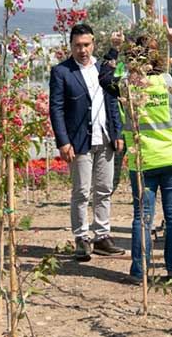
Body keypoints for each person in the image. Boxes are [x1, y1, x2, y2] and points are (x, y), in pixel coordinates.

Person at [99, 27, 172, 283]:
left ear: (132, 58)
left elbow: (104, 76)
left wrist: (114, 48)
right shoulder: (168, 81)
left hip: (142, 161)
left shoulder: (126, 86)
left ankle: (139, 271)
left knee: (142, 217)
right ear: (157, 58)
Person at [49, 23, 126, 261]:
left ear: (93, 44)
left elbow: (112, 101)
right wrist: (63, 141)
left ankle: (102, 236)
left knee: (104, 189)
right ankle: (82, 237)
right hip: (79, 139)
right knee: (81, 191)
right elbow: (56, 108)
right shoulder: (62, 72)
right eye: (77, 46)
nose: (82, 50)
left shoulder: (103, 69)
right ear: (70, 46)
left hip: (104, 137)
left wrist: (118, 132)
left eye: (86, 45)